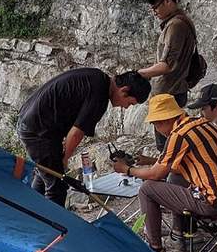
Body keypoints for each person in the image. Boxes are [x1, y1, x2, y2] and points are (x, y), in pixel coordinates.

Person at [112, 93, 217, 252]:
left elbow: (156, 174)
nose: (156, 130)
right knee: (174, 178)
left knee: (147, 189)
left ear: (163, 121)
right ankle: (179, 236)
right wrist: (150, 161)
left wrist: (127, 169)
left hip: (213, 203)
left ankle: (155, 250)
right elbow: (182, 166)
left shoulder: (179, 134)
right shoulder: (202, 124)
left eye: (155, 125)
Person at [18, 69, 151, 207]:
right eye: (129, 103)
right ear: (124, 90)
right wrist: (65, 158)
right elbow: (76, 133)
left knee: (45, 175)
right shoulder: (99, 95)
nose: (126, 107)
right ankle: (51, 226)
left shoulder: (98, 78)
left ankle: (29, 215)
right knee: (57, 186)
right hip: (38, 131)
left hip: (33, 123)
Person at [135, 0, 199, 150]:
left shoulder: (176, 26)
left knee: (168, 149)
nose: (153, 11)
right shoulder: (179, 22)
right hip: (173, 93)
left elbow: (166, 66)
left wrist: (138, 73)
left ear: (168, 2)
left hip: (169, 95)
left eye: (156, 6)